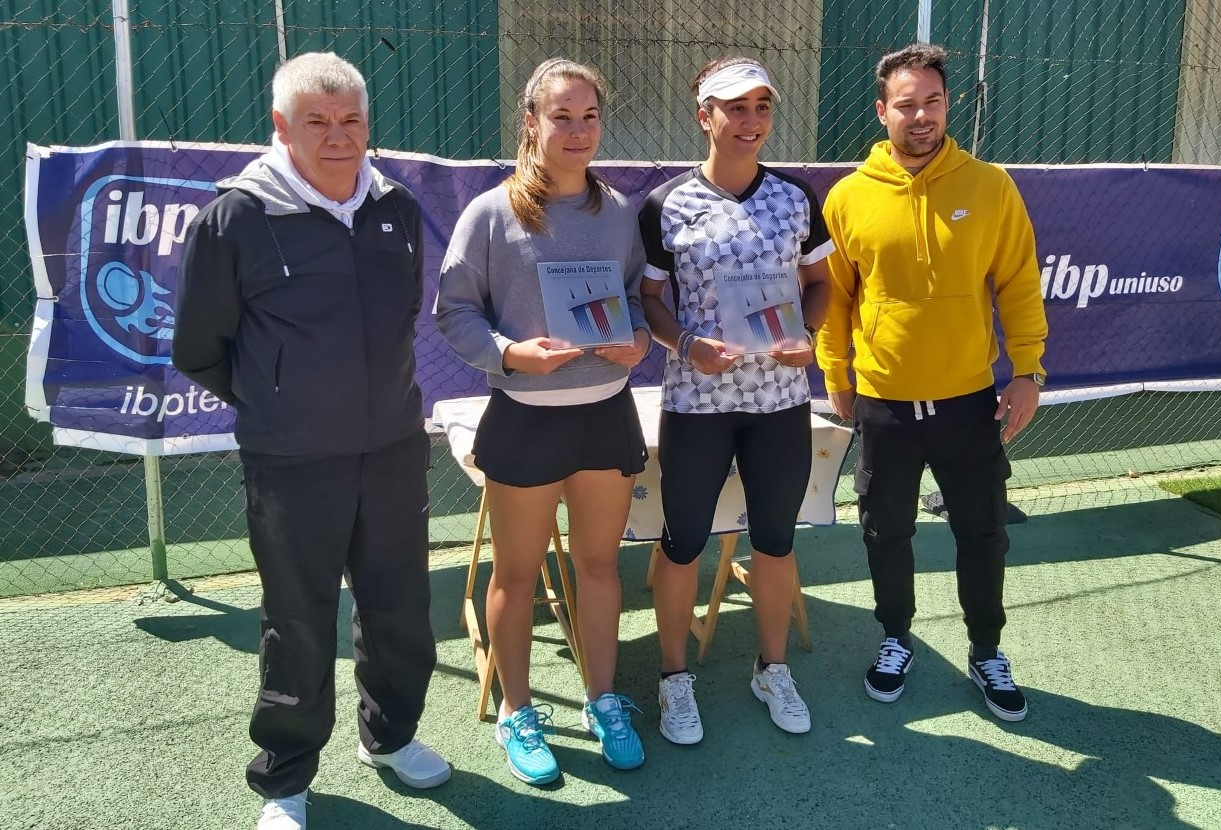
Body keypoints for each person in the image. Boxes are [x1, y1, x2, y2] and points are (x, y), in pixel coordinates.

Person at [172, 52, 449, 830]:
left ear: (368, 124)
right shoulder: (235, 217)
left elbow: (399, 325)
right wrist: (282, 403)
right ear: (281, 127)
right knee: (297, 620)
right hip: (291, 463)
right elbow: (199, 347)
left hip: (393, 451)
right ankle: (287, 781)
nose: (338, 137)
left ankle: (389, 738)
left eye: (351, 120)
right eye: (318, 122)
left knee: (398, 610)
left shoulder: (394, 207)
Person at [816, 43, 1048, 722]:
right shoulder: (850, 197)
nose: (922, 116)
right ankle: (895, 638)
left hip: (968, 401)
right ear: (882, 109)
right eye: (907, 103)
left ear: (949, 105)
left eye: (934, 102)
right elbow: (833, 302)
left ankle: (986, 651)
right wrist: (837, 375)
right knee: (885, 532)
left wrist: (1028, 371)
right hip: (883, 403)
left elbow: (1019, 286)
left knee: (982, 534)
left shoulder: (989, 186)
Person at [435, 58, 650, 785]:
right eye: (562, 117)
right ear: (531, 123)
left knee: (597, 567)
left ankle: (603, 699)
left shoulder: (618, 212)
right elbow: (453, 310)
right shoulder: (492, 213)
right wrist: (508, 355)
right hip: (525, 422)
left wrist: (640, 343)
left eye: (589, 117)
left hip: (604, 417)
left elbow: (635, 303)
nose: (579, 131)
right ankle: (519, 712)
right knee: (518, 576)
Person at [639, 57, 832, 743]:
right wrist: (688, 346)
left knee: (775, 542)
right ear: (705, 116)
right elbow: (650, 299)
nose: (749, 121)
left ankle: (771, 668)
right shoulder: (668, 205)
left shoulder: (796, 197)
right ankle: (673, 678)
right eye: (734, 107)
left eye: (760, 107)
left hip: (779, 402)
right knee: (684, 541)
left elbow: (821, 283)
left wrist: (808, 333)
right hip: (697, 403)